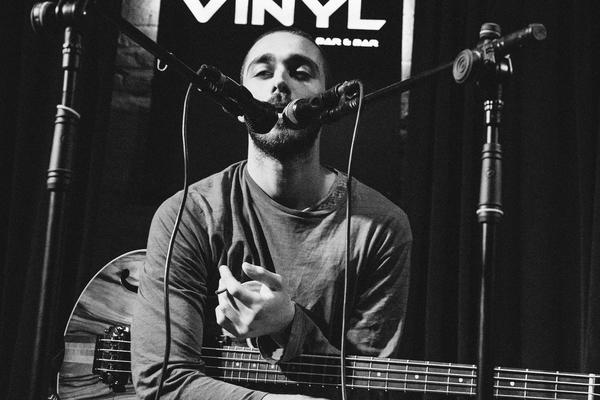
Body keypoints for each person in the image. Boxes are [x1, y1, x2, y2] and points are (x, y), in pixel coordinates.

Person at [131, 28, 412, 400]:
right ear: (235, 104)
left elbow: (370, 389)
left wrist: (290, 324)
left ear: (328, 105)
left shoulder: (382, 227)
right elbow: (163, 380)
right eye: (263, 73)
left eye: (301, 72)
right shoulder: (189, 213)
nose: (280, 82)